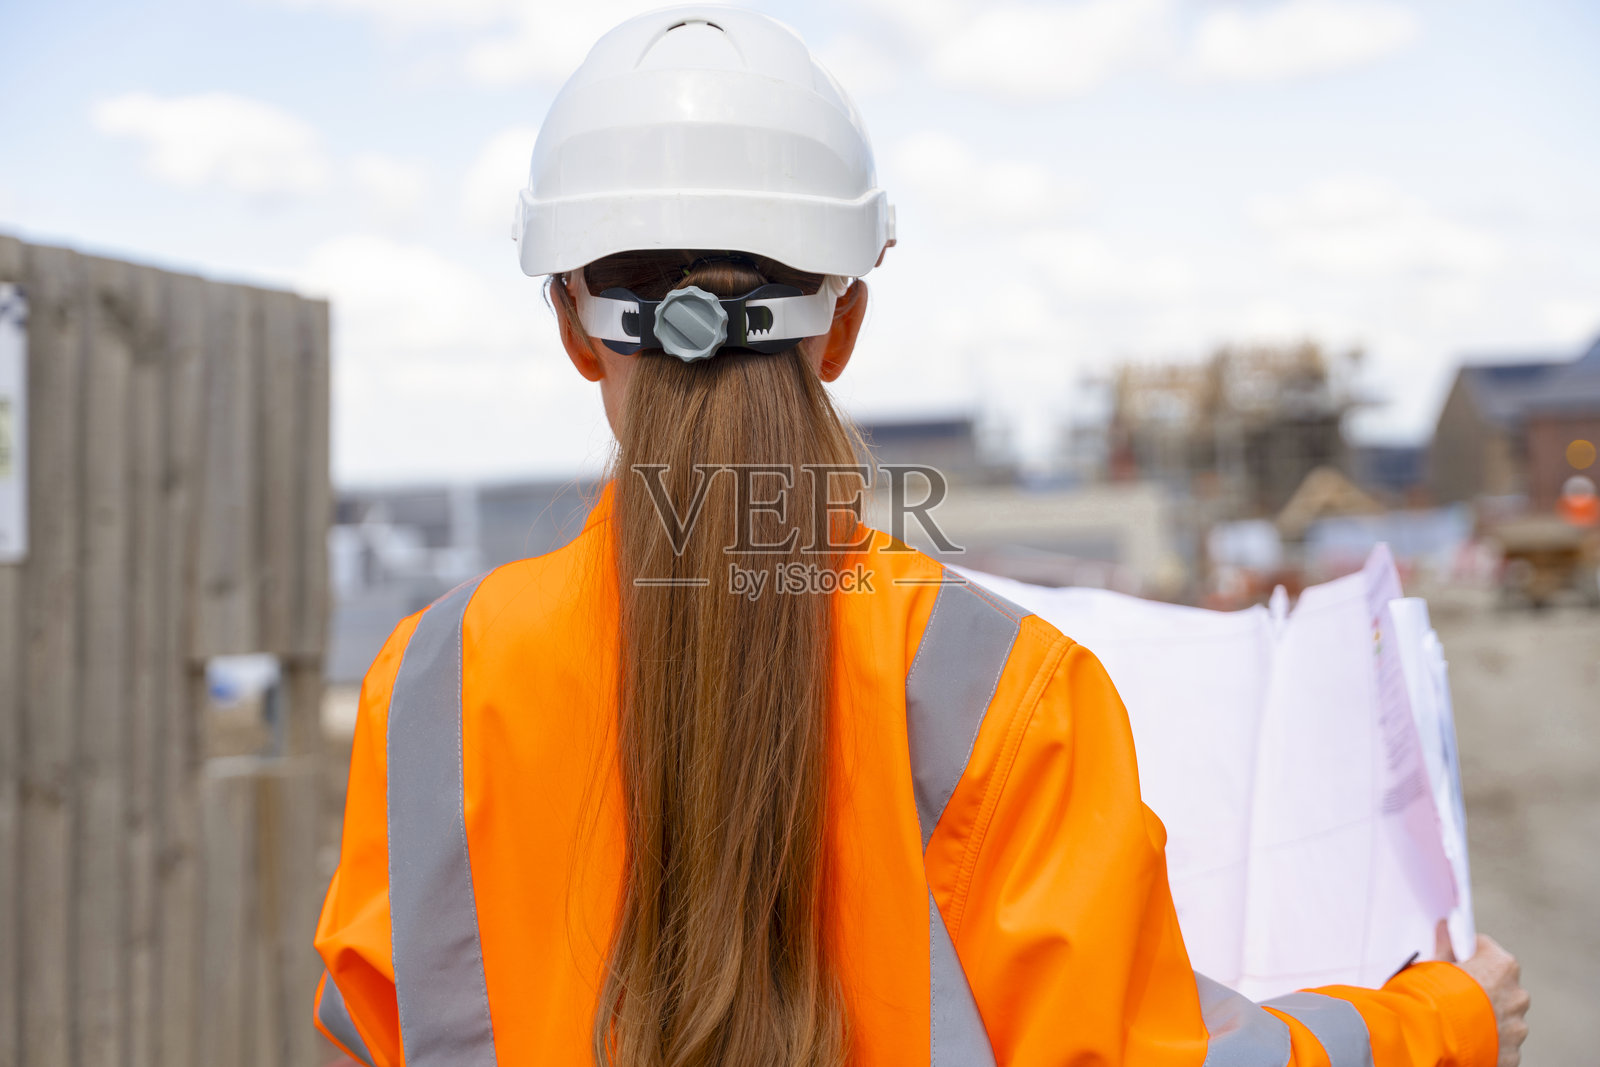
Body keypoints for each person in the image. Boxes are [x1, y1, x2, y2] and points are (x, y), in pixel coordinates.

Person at [312, 8, 1530, 1067]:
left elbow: (370, 1025)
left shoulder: (428, 687)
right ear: (841, 323)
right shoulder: (1008, 690)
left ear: (574, 326)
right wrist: (1442, 1020)